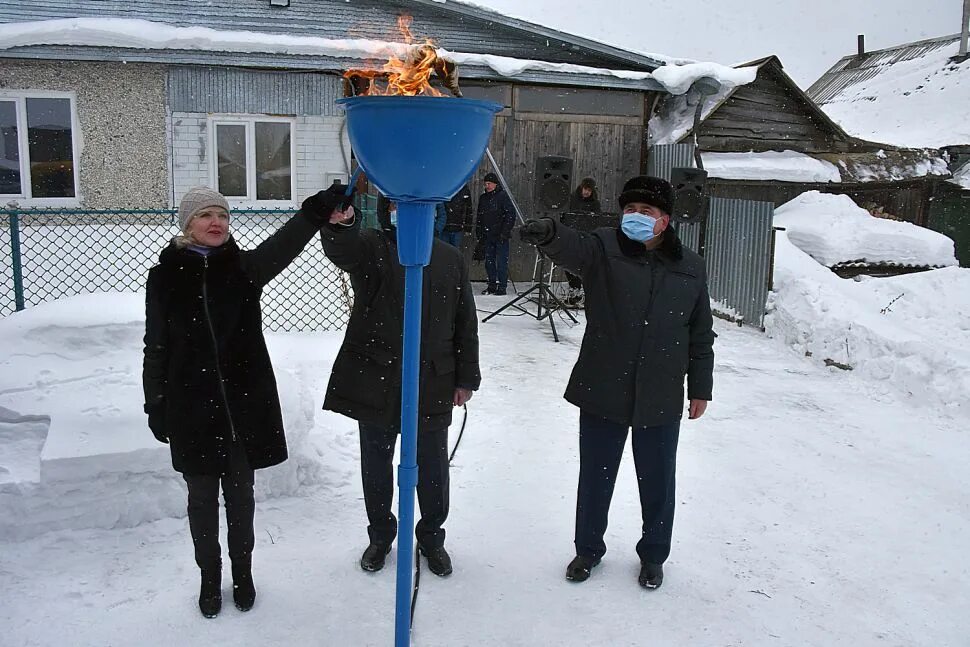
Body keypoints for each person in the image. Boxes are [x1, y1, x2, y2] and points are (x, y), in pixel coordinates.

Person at [142, 184, 350, 618]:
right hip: (191, 408)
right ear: (188, 225)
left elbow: (285, 244)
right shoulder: (164, 276)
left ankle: (243, 572)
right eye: (205, 216)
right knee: (201, 500)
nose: (216, 222)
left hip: (241, 409)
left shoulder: (243, 268)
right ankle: (208, 577)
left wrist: (315, 210)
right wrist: (156, 402)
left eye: (221, 214)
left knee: (241, 497)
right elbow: (156, 345)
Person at [519, 175, 715, 591]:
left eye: (646, 212)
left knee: (658, 479)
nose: (636, 218)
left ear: (665, 221)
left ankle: (654, 555)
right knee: (596, 475)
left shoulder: (691, 266)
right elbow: (571, 245)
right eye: (630, 210)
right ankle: (588, 550)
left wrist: (700, 387)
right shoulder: (604, 248)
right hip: (604, 383)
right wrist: (550, 233)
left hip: (661, 390)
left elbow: (700, 333)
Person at [319, 200, 481, 577]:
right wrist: (341, 225)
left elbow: (465, 321)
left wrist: (465, 377)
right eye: (395, 203)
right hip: (377, 378)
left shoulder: (449, 257)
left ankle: (431, 538)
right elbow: (342, 248)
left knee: (433, 465)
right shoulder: (373, 248)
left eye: (413, 204)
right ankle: (380, 536)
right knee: (376, 462)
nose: (402, 210)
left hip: (432, 380)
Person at [475, 172, 516, 295]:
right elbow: (479, 217)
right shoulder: (483, 198)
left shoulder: (502, 196)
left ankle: (502, 286)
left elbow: (510, 215)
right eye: (485, 183)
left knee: (502, 262)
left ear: (495, 184)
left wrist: (504, 232)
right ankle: (492, 285)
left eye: (489, 184)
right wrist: (480, 233)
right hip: (487, 236)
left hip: (500, 236)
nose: (487, 186)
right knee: (489, 262)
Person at [563, 177, 602, 306]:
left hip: (586, 238)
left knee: (585, 264)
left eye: (589, 190)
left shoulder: (595, 204)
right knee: (568, 263)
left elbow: (597, 220)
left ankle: (584, 291)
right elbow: (566, 217)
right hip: (572, 236)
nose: (586, 192)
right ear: (581, 187)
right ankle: (574, 288)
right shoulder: (572, 199)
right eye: (585, 189)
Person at [439, 182, 474, 249]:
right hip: (445, 227)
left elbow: (469, 210)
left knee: (455, 254)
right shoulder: (444, 187)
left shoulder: (464, 189)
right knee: (443, 253)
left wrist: (468, 228)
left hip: (457, 227)